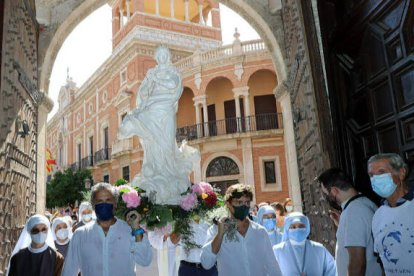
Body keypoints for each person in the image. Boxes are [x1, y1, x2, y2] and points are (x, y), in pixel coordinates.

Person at [118, 45, 199, 205]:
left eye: (164, 54)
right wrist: (150, 82)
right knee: (151, 141)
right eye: (159, 54)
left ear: (167, 56)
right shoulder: (151, 73)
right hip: (152, 107)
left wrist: (157, 79)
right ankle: (154, 171)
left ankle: (169, 171)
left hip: (166, 109)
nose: (161, 57)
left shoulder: (172, 71)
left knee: (167, 142)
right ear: (156, 57)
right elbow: (143, 92)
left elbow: (173, 85)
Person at [61, 182, 152, 276]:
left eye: (108, 200)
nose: (104, 204)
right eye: (99, 201)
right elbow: (69, 271)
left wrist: (136, 229)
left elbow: (145, 260)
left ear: (115, 204)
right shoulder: (80, 235)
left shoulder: (130, 230)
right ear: (93, 205)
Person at [200, 183, 282, 275]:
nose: (244, 206)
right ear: (228, 204)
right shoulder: (216, 230)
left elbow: (272, 266)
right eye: (239, 202)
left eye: (247, 202)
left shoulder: (260, 231)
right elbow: (206, 263)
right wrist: (219, 235)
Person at [318, 168, 382, 276]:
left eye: (326, 194)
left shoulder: (353, 212)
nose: (326, 198)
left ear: (334, 191)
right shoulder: (362, 203)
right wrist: (342, 225)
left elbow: (357, 263)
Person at [368, 153, 414, 275]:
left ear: (401, 173)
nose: (375, 179)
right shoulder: (377, 216)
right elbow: (383, 261)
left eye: (381, 172)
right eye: (371, 175)